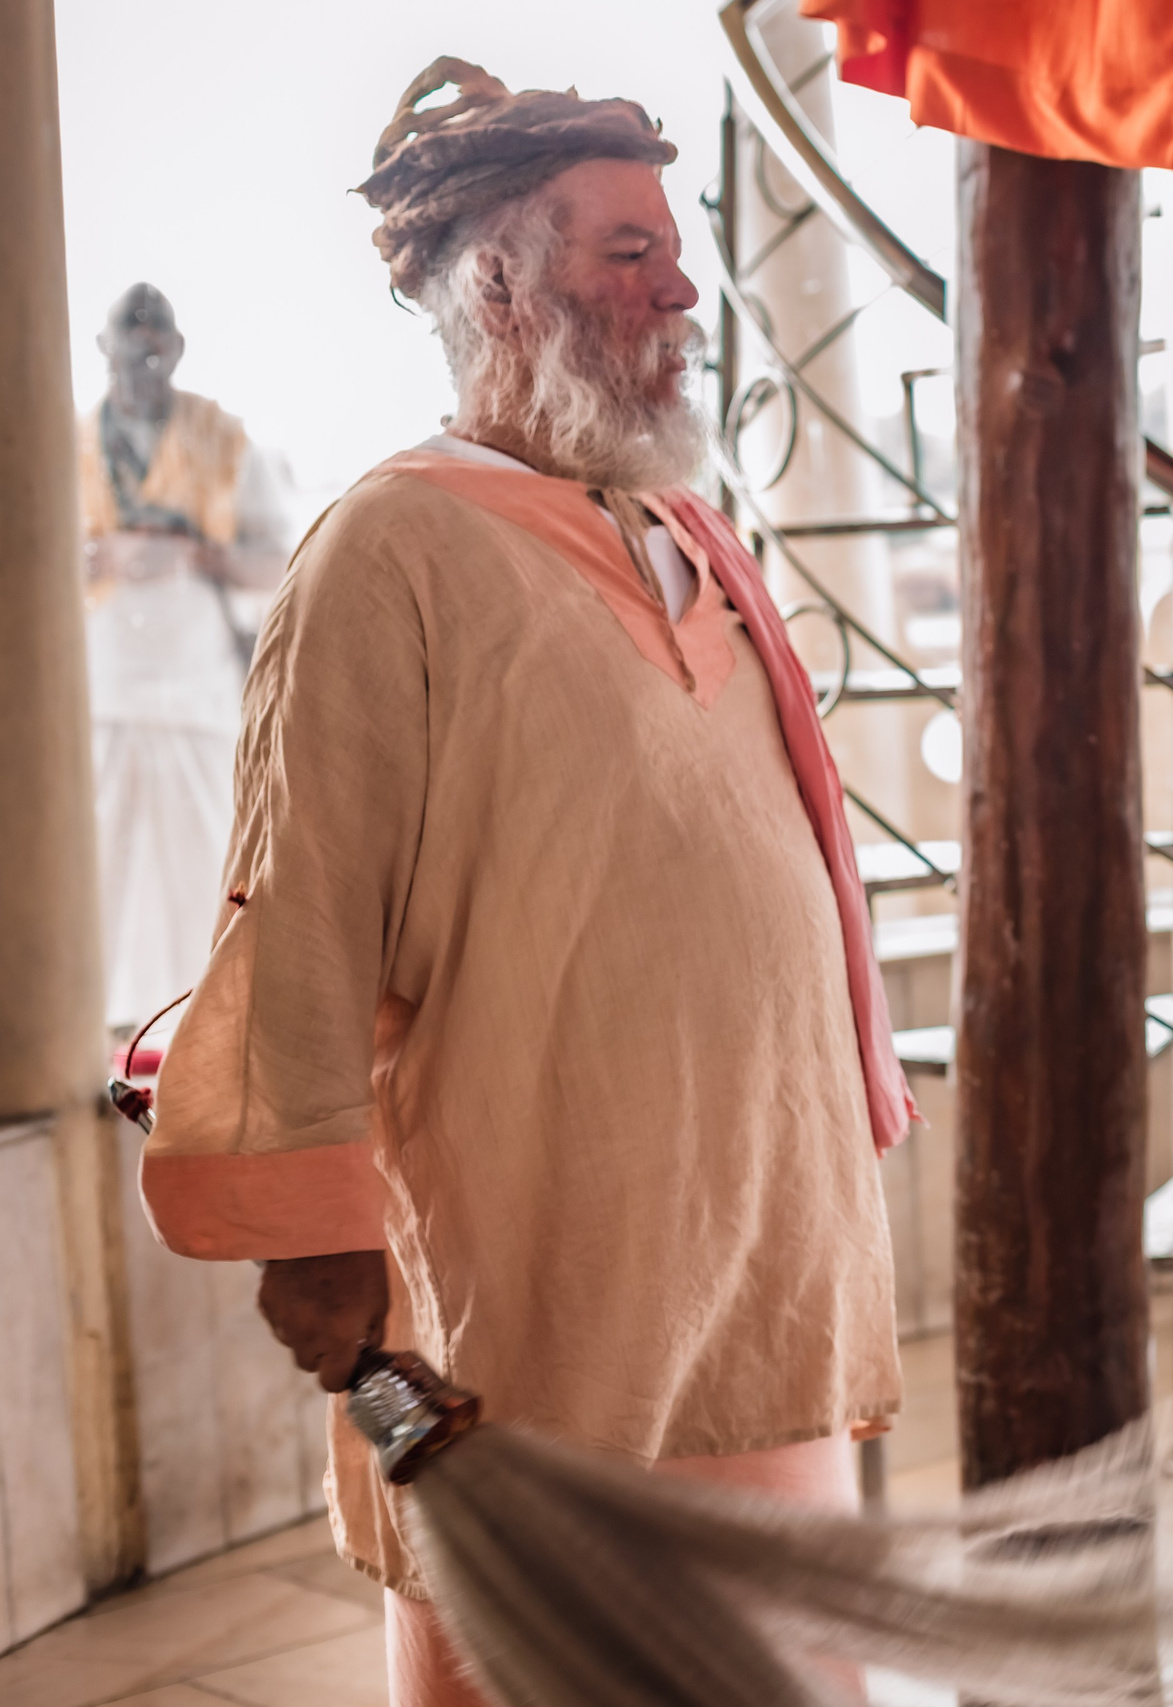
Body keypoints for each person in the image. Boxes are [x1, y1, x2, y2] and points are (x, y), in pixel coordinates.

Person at [136, 59, 914, 1707]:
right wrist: (315, 1236)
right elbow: (304, 915)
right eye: (631, 251)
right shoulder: (388, 549)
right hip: (540, 1275)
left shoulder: (693, 533)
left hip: (758, 1242)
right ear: (501, 284)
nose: (685, 287)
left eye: (674, 246)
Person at [80, 283, 288, 1034]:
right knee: (101, 844)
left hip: (196, 673)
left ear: (176, 349)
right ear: (104, 349)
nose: (143, 357)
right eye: (129, 342)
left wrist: (192, 553)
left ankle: (212, 1012)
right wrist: (104, 556)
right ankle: (98, 1018)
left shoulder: (223, 438)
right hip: (106, 676)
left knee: (205, 843)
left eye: (156, 343)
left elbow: (277, 561)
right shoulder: (67, 443)